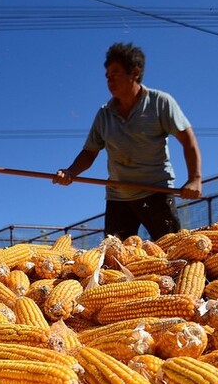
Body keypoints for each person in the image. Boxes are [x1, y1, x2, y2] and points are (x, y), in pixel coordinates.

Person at [53, 42, 202, 240]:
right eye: (107, 76)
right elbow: (89, 152)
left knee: (171, 255)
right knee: (114, 260)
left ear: (135, 73)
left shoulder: (160, 102)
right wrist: (71, 172)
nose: (109, 80)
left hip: (157, 192)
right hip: (118, 197)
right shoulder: (104, 114)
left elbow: (188, 141)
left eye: (115, 74)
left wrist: (195, 179)